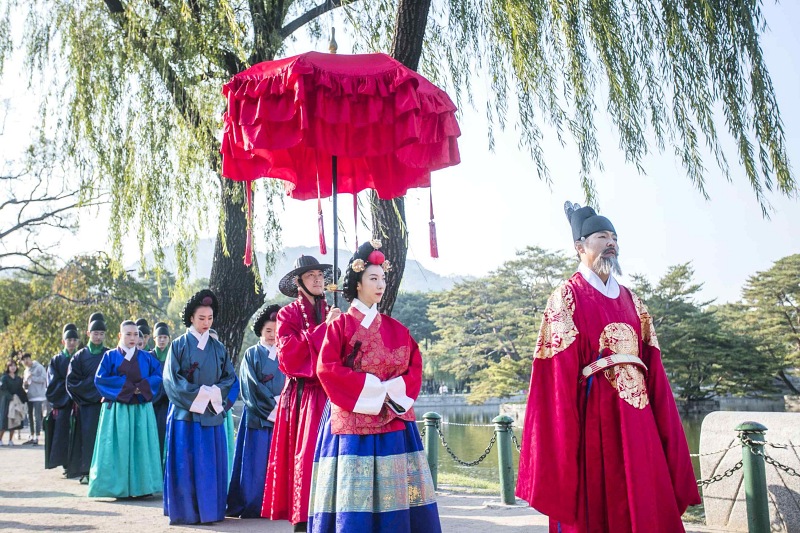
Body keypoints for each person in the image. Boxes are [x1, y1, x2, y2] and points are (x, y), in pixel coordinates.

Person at [515, 202, 701, 533]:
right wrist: (564, 443)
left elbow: (655, 372)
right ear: (579, 246)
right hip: (594, 418)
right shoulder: (566, 298)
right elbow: (555, 378)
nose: (611, 242)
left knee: (647, 499)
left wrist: (666, 432)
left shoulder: (634, 302)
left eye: (614, 236)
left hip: (639, 417)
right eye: (602, 236)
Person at [309, 240, 440, 533]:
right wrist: (375, 390)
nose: (380, 284)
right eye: (373, 278)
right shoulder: (339, 326)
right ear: (357, 284)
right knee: (352, 499)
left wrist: (389, 392)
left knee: (397, 497)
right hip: (352, 422)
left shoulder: (398, 330)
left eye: (383, 278)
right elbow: (327, 369)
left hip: (393, 420)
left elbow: (414, 369)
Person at [262, 255, 340, 532]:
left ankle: (334, 516)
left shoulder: (334, 310)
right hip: (305, 395)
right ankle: (304, 519)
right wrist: (325, 329)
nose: (318, 279)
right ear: (299, 282)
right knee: (306, 458)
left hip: (334, 394)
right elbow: (289, 355)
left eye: (320, 275)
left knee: (337, 457)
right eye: (311, 276)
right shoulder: (287, 315)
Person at [162, 289, 236, 525]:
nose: (206, 323)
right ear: (191, 319)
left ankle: (210, 511)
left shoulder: (218, 347)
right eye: (201, 318)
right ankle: (186, 511)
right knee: (185, 464)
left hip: (211, 413)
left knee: (208, 467)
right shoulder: (178, 345)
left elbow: (229, 378)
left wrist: (215, 393)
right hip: (186, 413)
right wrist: (200, 394)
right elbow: (172, 381)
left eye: (210, 318)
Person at [88, 320, 163, 498]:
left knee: (141, 446)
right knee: (117, 447)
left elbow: (157, 377)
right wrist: (130, 388)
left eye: (135, 334)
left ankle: (143, 487)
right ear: (120, 336)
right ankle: (117, 487)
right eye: (128, 334)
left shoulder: (147, 357)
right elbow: (101, 379)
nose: (132, 338)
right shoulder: (110, 356)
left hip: (140, 410)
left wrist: (142, 387)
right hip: (118, 411)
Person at [227, 304, 286, 518]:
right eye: (268, 330)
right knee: (256, 463)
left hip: (284, 414)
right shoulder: (252, 354)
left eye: (276, 330)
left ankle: (278, 504)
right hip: (258, 417)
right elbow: (250, 388)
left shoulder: (286, 353)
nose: (272, 335)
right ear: (260, 330)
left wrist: (285, 404)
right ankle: (253, 504)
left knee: (279, 463)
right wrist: (274, 406)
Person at [66, 312, 109, 483]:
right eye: (95, 333)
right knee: (87, 438)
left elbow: (113, 379)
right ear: (88, 334)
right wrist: (93, 389)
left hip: (105, 404)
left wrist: (102, 391)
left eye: (101, 333)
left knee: (105, 438)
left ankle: (105, 472)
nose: (98, 337)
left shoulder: (109, 354)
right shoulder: (79, 356)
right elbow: (71, 382)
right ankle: (86, 471)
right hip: (86, 407)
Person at [45, 324, 80, 471]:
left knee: (78, 433)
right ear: (63, 341)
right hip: (63, 403)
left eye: (74, 339)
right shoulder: (56, 360)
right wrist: (70, 387)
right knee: (63, 433)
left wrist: (78, 391)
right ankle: (65, 464)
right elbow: (52, 383)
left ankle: (76, 464)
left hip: (79, 402)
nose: (72, 342)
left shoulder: (80, 357)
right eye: (69, 339)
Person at [150, 322, 171, 458]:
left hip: (169, 404)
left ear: (169, 338)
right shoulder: (148, 357)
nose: (162, 340)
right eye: (159, 337)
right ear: (154, 339)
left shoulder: (173, 356)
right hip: (153, 405)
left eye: (164, 337)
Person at [21, 353, 47, 445]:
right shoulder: (26, 370)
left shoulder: (38, 367)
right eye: (24, 360)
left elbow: (44, 379)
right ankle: (31, 435)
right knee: (29, 417)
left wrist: (33, 377)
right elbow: (25, 383)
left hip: (38, 396)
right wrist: (25, 383)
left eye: (27, 358)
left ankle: (37, 437)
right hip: (29, 396)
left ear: (30, 358)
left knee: (37, 416)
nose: (26, 361)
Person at [1, 359, 28, 446]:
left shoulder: (18, 378)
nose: (13, 368)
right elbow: (3, 389)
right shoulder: (4, 378)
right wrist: (10, 397)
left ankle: (10, 440)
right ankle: (1, 439)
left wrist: (24, 398)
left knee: (14, 420)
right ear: (8, 367)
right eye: (11, 366)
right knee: (4, 420)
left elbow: (20, 389)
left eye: (14, 366)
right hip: (7, 401)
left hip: (16, 401)